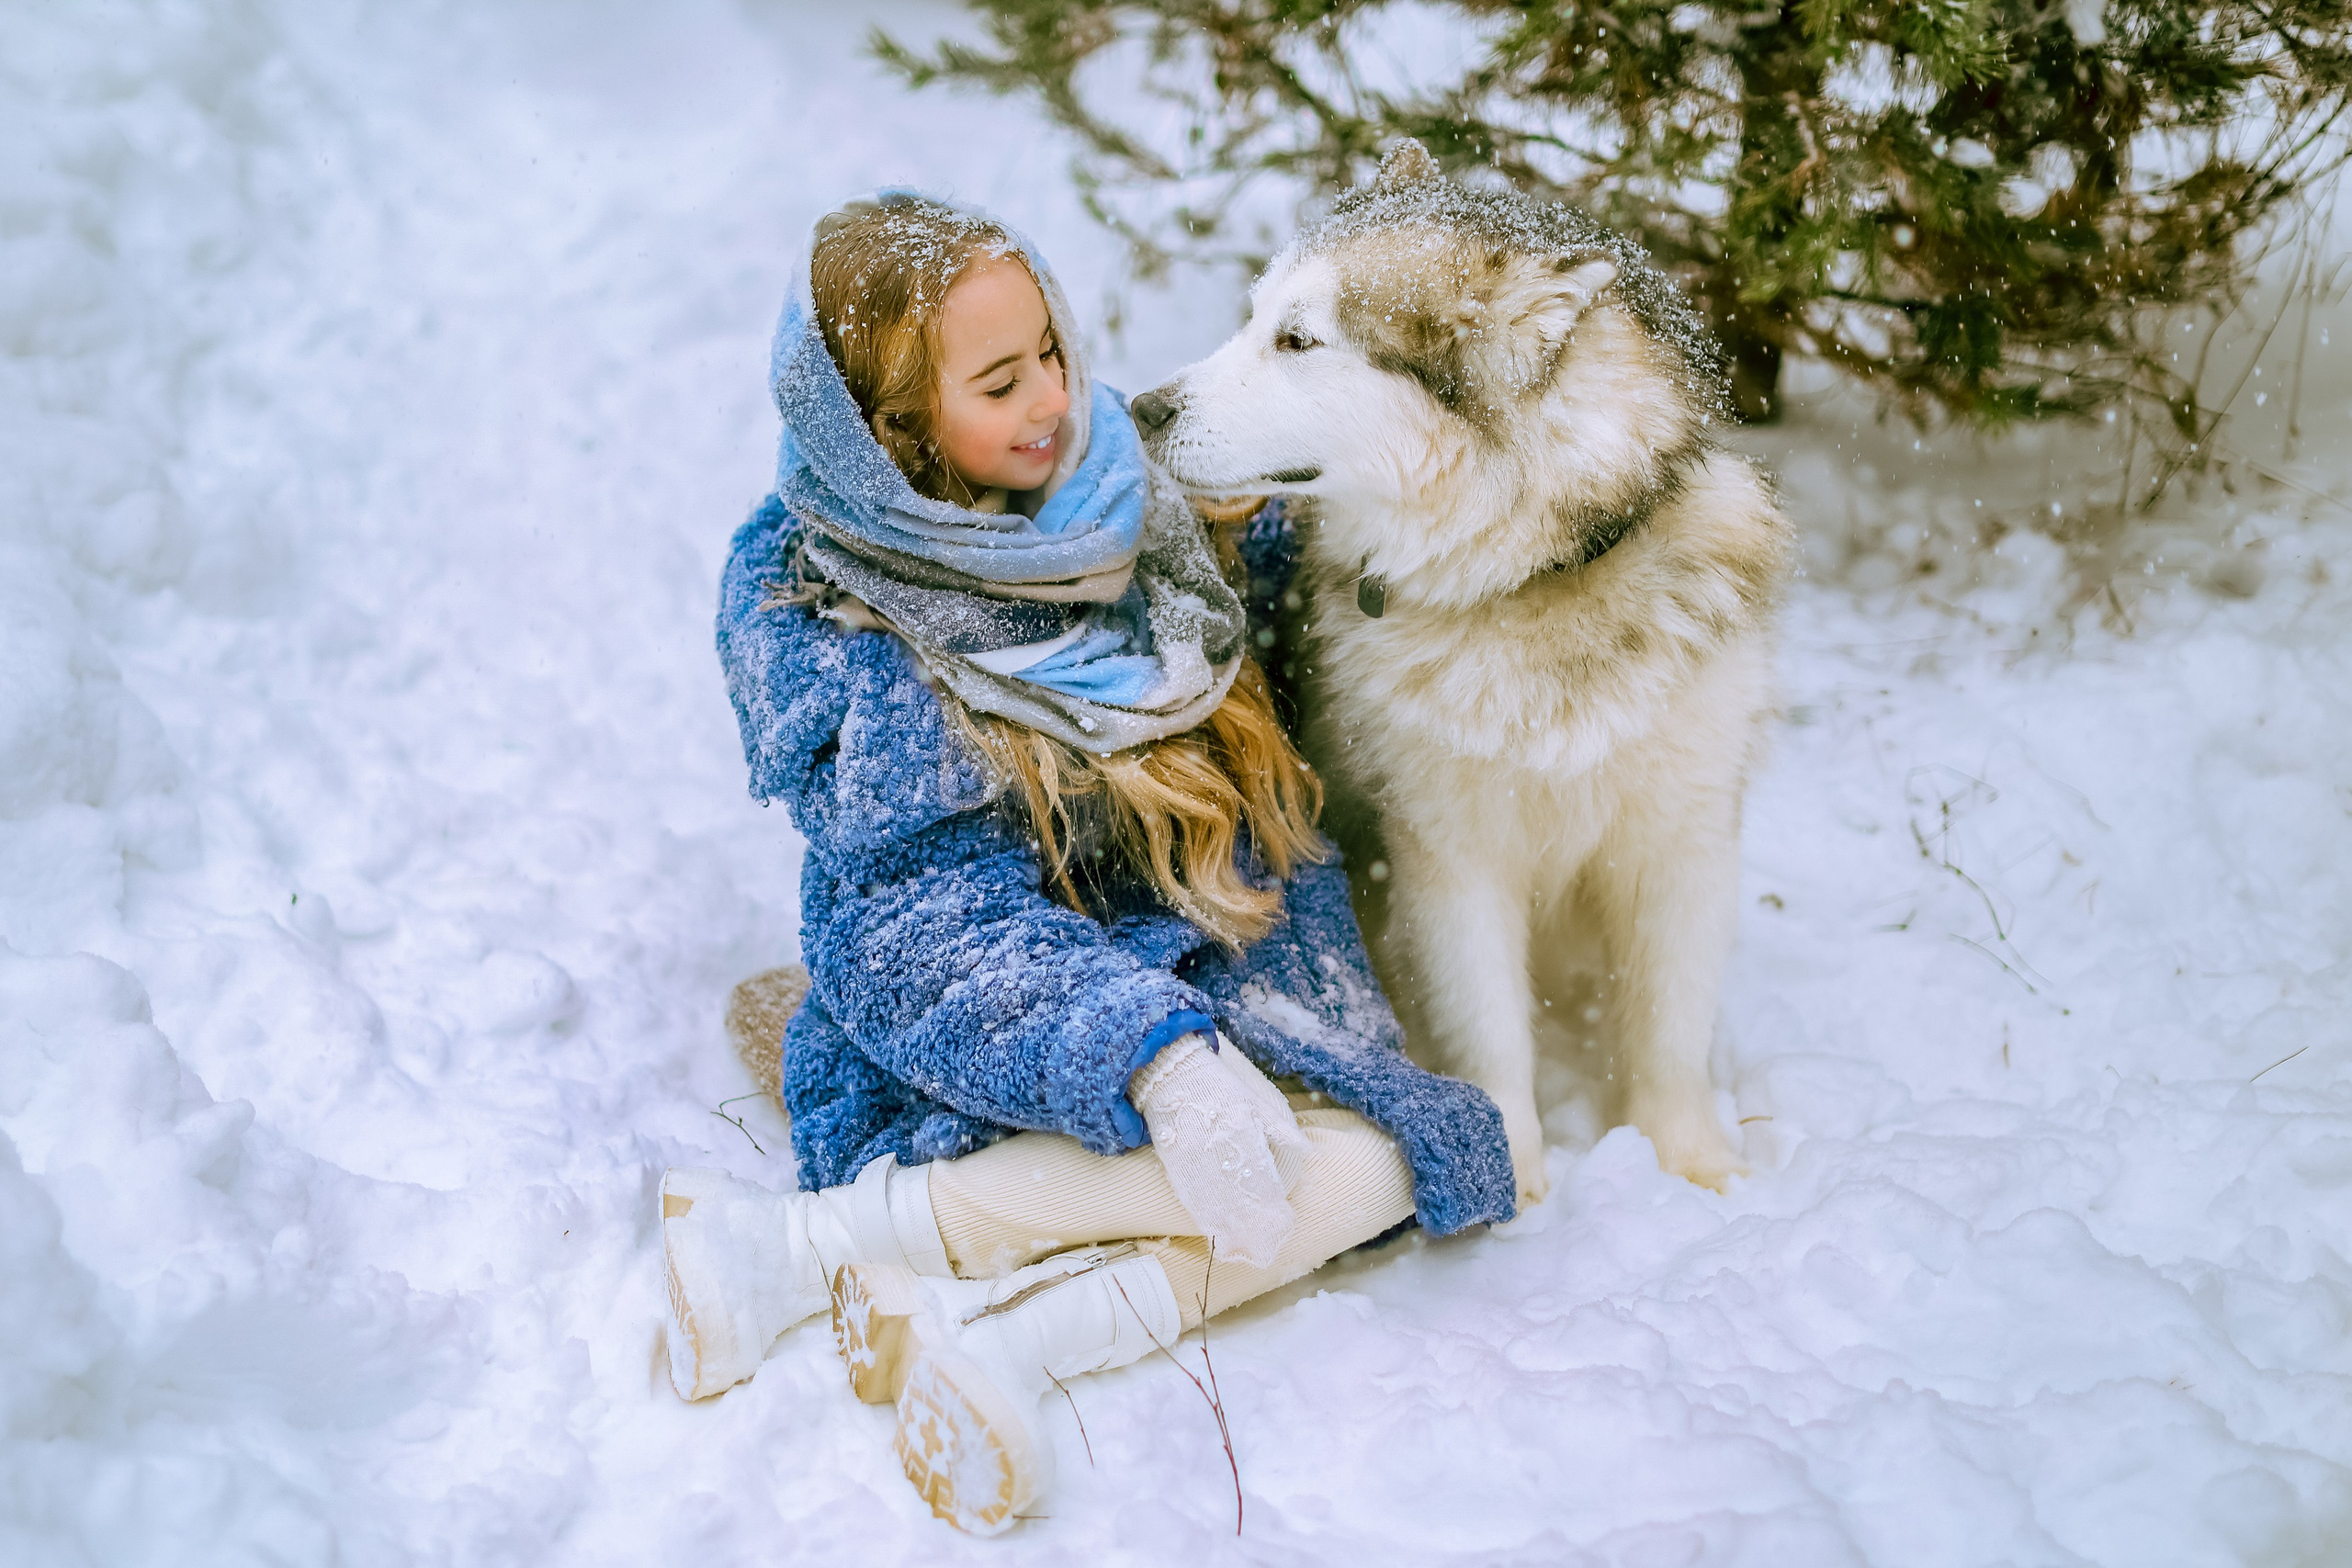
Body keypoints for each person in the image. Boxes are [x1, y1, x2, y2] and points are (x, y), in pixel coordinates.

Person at [668, 188, 1514, 1534]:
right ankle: (790, 1252)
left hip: (1222, 961)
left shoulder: (1129, 499)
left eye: (1053, 352)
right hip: (1018, 1021)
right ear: (890, 432)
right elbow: (921, 933)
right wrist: (1151, 1055)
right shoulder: (847, 625)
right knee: (1251, 1160)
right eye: (1000, 382)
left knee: (1390, 1158)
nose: (1056, 400)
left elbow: (1315, 582)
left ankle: (984, 1328)